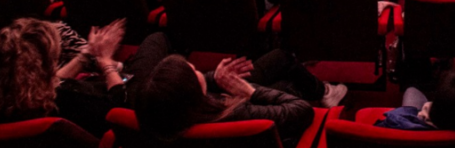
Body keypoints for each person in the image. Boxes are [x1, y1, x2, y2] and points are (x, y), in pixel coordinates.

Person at [134, 47, 344, 146]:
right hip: (283, 134)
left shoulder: (155, 111)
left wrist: (216, 78)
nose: (195, 68)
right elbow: (302, 111)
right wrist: (250, 91)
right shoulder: (236, 114)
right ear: (193, 91)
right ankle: (324, 92)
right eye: (192, 71)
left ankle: (320, 89)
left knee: (281, 72)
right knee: (289, 87)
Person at [0, 18, 130, 135]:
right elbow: (120, 108)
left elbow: (49, 83)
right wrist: (106, 61)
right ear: (43, 67)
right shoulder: (66, 100)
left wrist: (86, 54)